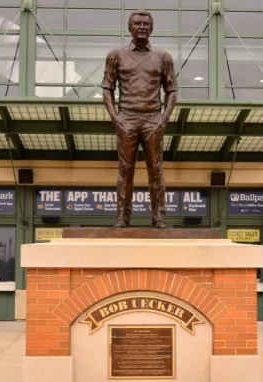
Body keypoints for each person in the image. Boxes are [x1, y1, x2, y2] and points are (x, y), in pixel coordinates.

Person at [101, 9, 178, 229]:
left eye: (146, 24)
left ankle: (159, 216)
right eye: (138, 23)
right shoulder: (116, 55)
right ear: (130, 27)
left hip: (153, 117)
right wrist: (116, 118)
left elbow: (172, 90)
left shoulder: (163, 57)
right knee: (126, 169)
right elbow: (107, 88)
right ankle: (122, 217)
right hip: (127, 117)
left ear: (151, 28)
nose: (142, 27)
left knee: (156, 168)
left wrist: (163, 119)